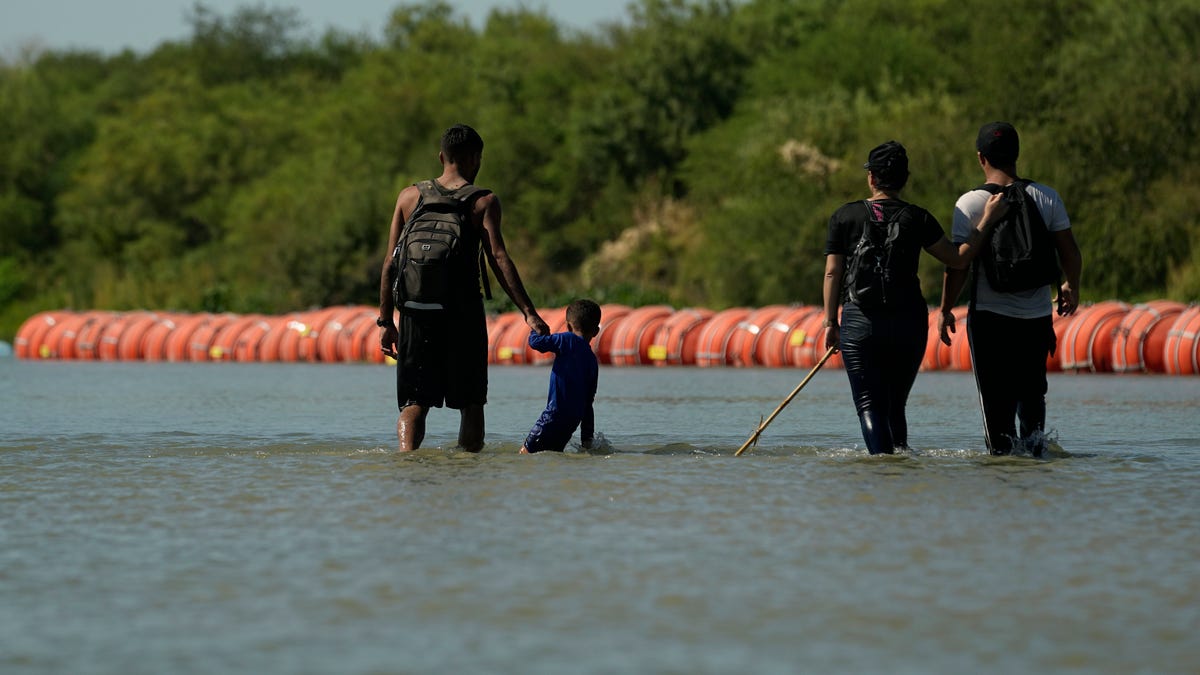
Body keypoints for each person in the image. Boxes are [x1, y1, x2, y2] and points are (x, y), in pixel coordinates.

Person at [823, 140, 1008, 455]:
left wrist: (830, 322)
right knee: (895, 404)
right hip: (909, 324)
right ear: (904, 178)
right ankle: (901, 467)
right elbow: (958, 259)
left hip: (860, 323)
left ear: (871, 177)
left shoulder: (844, 217)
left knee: (870, 404)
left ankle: (882, 467)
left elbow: (832, 273)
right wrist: (987, 220)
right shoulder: (917, 218)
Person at [378, 123, 550, 452]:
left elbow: (390, 263)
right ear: (476, 159)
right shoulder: (483, 201)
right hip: (463, 315)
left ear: (442, 156)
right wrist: (529, 312)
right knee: (470, 403)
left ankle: (406, 461)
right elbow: (499, 259)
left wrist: (386, 322)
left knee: (413, 403)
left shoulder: (409, 196)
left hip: (415, 313)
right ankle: (468, 471)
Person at [939, 122, 1082, 456]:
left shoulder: (971, 203)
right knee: (1033, 399)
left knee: (995, 403)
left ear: (980, 158)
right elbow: (1070, 252)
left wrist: (946, 309)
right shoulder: (1046, 196)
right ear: (1017, 155)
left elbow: (958, 264)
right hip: (1035, 317)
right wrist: (1070, 286)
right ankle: (1035, 460)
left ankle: (1002, 471)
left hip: (990, 319)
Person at [519, 299, 601, 454]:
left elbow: (536, 343)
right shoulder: (592, 360)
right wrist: (587, 439)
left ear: (568, 326)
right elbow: (588, 403)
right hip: (572, 421)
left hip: (553, 415)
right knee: (554, 454)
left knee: (525, 454)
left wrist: (534, 327)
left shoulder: (566, 339)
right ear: (596, 331)